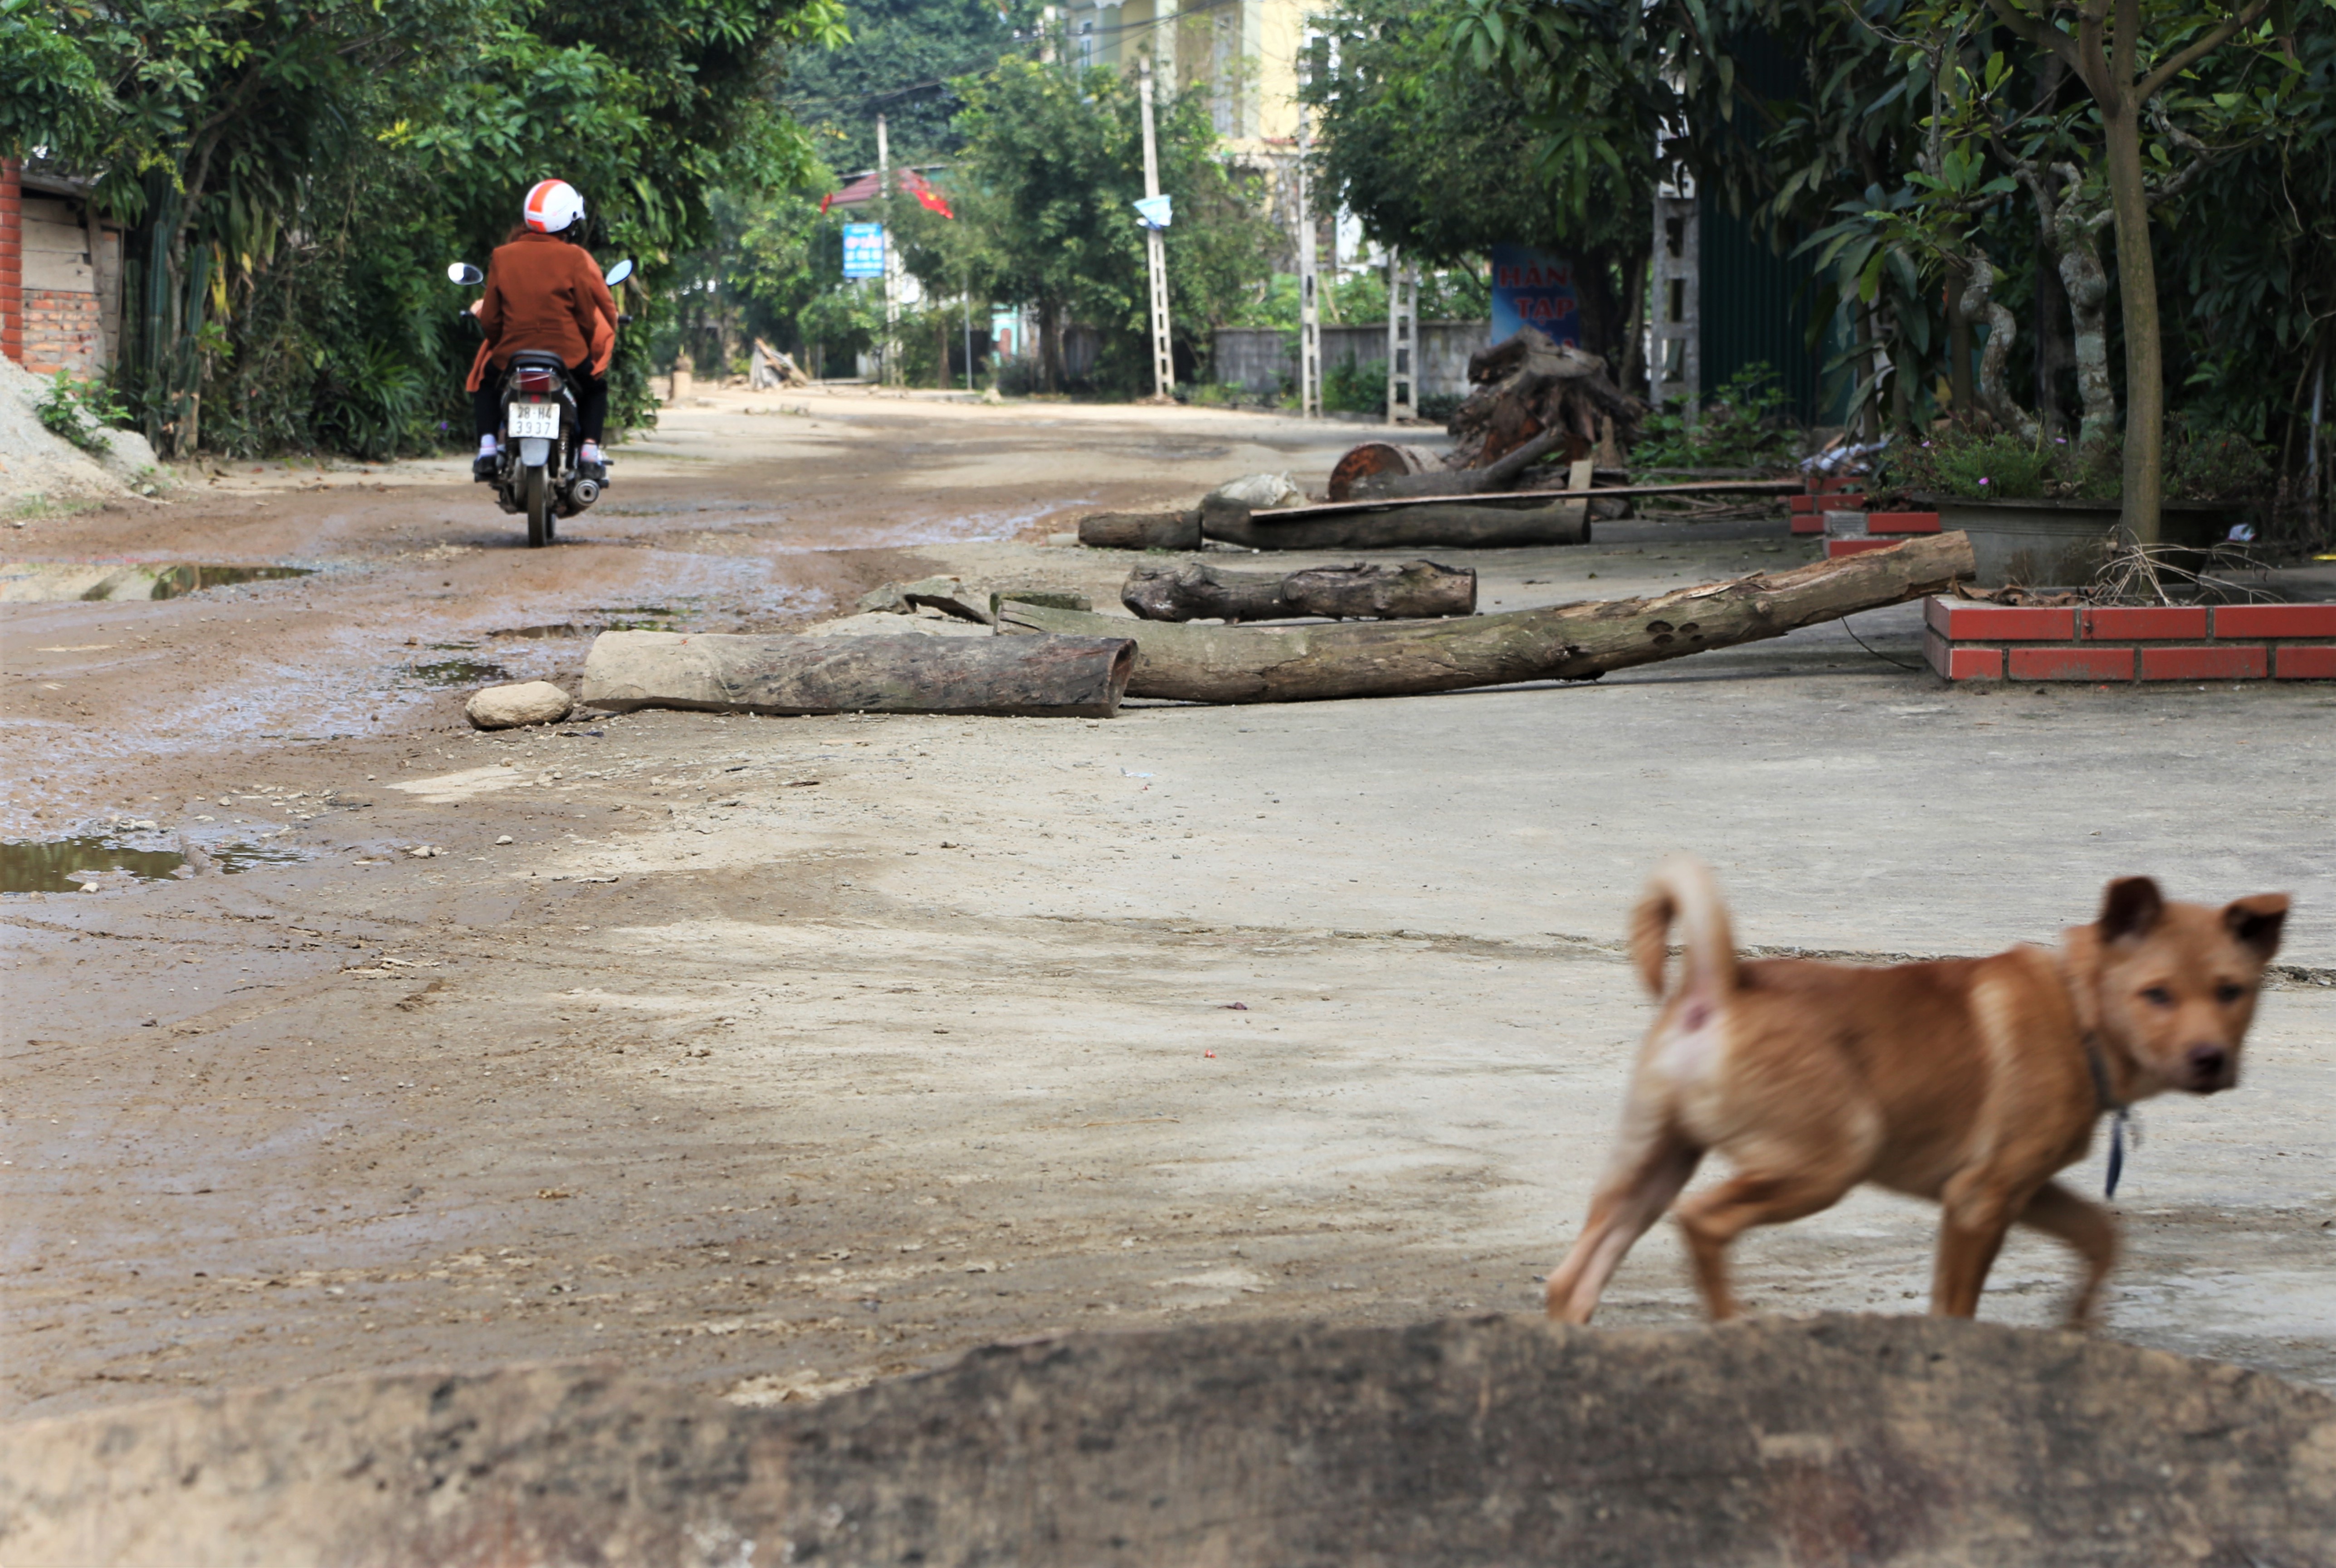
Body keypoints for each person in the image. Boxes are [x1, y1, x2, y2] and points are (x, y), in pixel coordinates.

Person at [471, 180, 618, 484]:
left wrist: (500, 341)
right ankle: (590, 450)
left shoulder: (502, 256)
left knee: (486, 383)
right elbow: (585, 315)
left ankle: (487, 448)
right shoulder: (575, 257)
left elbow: (492, 319)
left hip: (512, 355)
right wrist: (587, 341)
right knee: (595, 388)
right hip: (567, 356)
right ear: (568, 221)